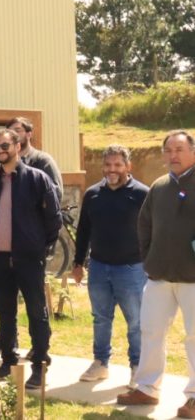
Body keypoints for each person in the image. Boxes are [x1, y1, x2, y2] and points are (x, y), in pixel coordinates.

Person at [118, 131, 195, 417]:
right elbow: (144, 226)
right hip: (159, 275)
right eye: (168, 150)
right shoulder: (159, 187)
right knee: (150, 330)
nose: (173, 155)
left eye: (179, 149)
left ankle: (194, 397)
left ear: (193, 152)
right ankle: (147, 389)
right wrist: (149, 257)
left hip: (193, 278)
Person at [0, 129, 61, 390]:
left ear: (18, 145)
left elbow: (54, 220)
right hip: (0, 260)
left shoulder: (37, 179)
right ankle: (8, 360)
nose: (0, 150)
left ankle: (40, 364)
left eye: (5, 145)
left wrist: (38, 247)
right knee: (5, 313)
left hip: (28, 259)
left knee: (36, 313)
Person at [73, 144, 147, 385]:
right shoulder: (93, 194)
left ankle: (138, 366)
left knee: (136, 321)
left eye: (117, 164)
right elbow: (83, 230)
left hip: (132, 270)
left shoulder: (142, 194)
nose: (112, 169)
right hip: (98, 268)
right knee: (101, 318)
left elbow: (153, 231)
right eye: (108, 165)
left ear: (128, 166)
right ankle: (101, 363)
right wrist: (78, 262)